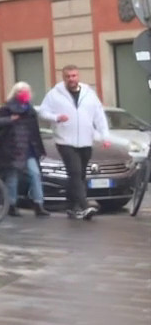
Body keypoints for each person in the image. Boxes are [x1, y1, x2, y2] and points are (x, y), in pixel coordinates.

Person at [38, 65, 110, 220]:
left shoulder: (89, 93)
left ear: (78, 76)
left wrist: (105, 136)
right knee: (75, 172)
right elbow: (43, 112)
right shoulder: (54, 94)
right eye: (68, 76)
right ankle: (84, 206)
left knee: (80, 175)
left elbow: (99, 115)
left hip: (86, 140)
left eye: (74, 76)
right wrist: (56, 117)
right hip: (65, 140)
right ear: (63, 78)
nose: (71, 79)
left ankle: (71, 206)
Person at [0, 82, 50, 217]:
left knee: (35, 174)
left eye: (26, 91)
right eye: (21, 91)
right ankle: (12, 205)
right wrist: (9, 119)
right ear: (15, 93)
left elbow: (35, 132)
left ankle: (38, 204)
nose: (25, 94)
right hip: (11, 149)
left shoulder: (30, 110)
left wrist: (40, 149)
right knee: (12, 177)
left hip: (29, 149)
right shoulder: (6, 109)